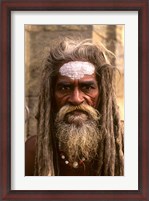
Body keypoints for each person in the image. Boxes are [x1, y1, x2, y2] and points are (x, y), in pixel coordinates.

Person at [25, 37, 124, 176]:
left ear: (103, 93)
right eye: (65, 88)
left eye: (87, 87)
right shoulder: (32, 152)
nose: (76, 99)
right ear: (51, 95)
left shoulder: (127, 143)